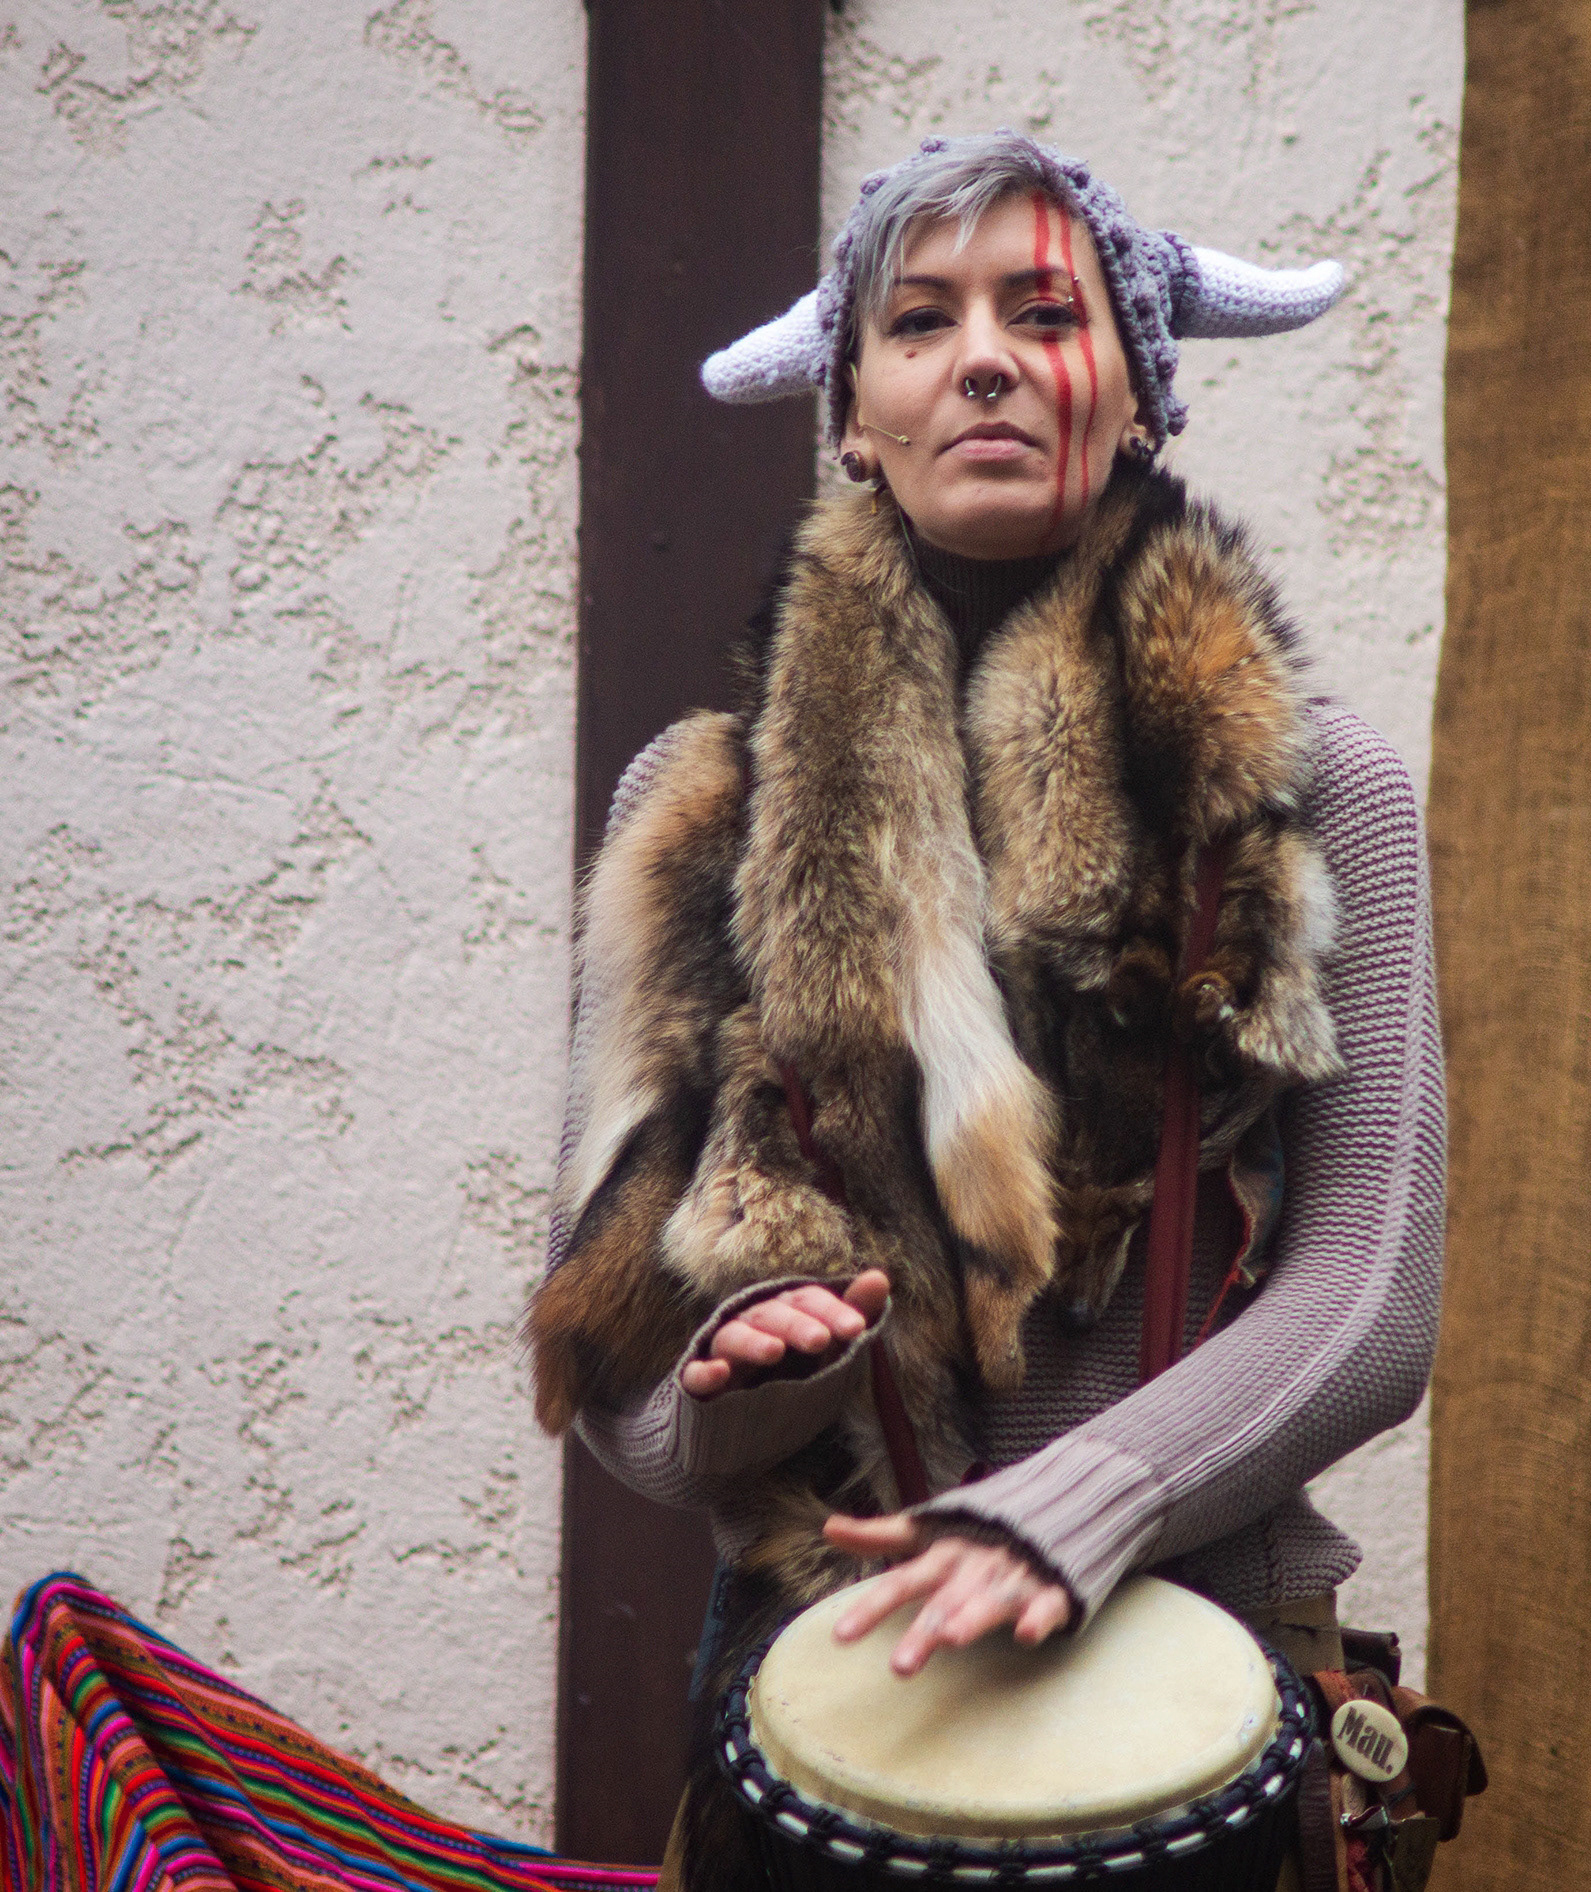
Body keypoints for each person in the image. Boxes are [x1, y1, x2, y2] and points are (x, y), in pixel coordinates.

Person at [527, 132, 1443, 1889]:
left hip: (1216, 1682)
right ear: (854, 415)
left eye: (1046, 312)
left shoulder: (1319, 790)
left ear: (1141, 391)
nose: (987, 361)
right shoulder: (696, 809)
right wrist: (744, 1388)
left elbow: (1375, 1300)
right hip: (821, 1700)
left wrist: (1074, 1508)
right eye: (921, 321)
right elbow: (623, 1390)